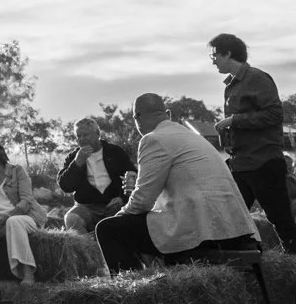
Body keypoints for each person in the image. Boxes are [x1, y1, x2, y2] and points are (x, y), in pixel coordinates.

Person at [95, 92, 261, 273]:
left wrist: (120, 215)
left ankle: (134, 291)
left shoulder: (153, 139)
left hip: (203, 230)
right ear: (167, 114)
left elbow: (143, 201)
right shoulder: (192, 137)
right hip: (236, 228)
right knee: (142, 227)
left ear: (138, 118)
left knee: (107, 229)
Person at [210, 33, 296, 255]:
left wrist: (234, 120)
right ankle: (243, 264)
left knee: (280, 218)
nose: (212, 60)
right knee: (231, 218)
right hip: (241, 163)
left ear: (228, 53)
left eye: (214, 55)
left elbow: (274, 114)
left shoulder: (257, 78)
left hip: (264, 162)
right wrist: (230, 141)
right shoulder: (230, 86)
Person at [0, 141, 44, 280]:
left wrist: (7, 216)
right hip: (0, 219)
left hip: (27, 216)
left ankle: (28, 272)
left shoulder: (17, 171)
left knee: (13, 222)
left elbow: (27, 201)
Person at [57, 118, 137, 234]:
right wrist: (77, 163)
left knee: (131, 223)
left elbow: (133, 176)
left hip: (116, 204)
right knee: (71, 218)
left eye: (85, 135)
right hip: (87, 206)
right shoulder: (73, 157)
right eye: (78, 136)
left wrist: (122, 198)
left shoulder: (115, 152)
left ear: (97, 134)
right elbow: (65, 186)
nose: (82, 139)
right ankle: (89, 250)